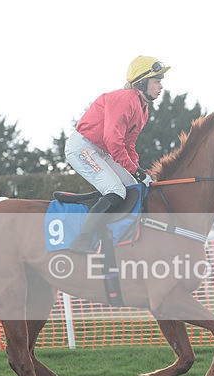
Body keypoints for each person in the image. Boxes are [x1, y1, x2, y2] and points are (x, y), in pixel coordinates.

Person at [64, 55, 171, 253]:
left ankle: (122, 238)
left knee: (134, 187)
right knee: (116, 190)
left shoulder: (143, 109)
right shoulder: (125, 100)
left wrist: (138, 171)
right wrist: (136, 170)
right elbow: (114, 142)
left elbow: (128, 145)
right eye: (157, 81)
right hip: (83, 148)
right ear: (142, 82)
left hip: (102, 152)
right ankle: (83, 241)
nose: (161, 86)